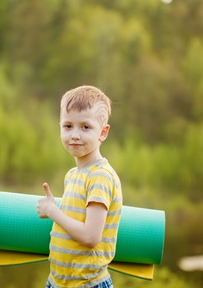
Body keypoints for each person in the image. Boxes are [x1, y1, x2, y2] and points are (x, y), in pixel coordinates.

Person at [37, 85, 122, 288]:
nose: (75, 134)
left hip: (87, 283)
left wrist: (52, 211)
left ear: (103, 132)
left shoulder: (100, 176)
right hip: (59, 281)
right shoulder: (73, 175)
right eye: (68, 126)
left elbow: (90, 236)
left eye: (85, 127)